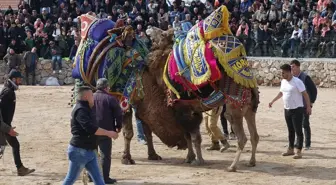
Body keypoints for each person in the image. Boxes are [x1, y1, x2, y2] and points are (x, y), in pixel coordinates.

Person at [62, 86, 119, 185]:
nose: (94, 98)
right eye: (92, 95)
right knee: (70, 179)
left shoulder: (86, 108)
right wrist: (109, 133)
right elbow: (91, 129)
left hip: (90, 151)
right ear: (86, 97)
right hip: (79, 151)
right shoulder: (81, 110)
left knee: (99, 180)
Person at [269, 64, 312, 159]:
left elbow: (305, 94)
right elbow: (281, 93)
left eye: (283, 72)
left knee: (298, 131)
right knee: (290, 130)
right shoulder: (283, 82)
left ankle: (299, 151)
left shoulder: (297, 82)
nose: (282, 74)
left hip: (297, 109)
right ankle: (290, 149)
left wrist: (308, 106)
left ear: (288, 72)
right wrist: (273, 101)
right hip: (287, 109)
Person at [0, 70, 35, 176]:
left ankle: (20, 168)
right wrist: (7, 128)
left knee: (13, 145)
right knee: (13, 145)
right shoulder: (8, 92)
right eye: (19, 79)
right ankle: (20, 169)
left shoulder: (9, 90)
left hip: (5, 125)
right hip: (3, 126)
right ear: (14, 79)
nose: (20, 81)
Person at [93, 78, 123, 184]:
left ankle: (90, 176)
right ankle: (105, 178)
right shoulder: (110, 99)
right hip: (106, 131)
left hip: (91, 131)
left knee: (92, 154)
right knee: (105, 155)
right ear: (106, 87)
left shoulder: (90, 97)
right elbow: (119, 114)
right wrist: (118, 126)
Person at [290, 60, 317, 150]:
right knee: (296, 125)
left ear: (298, 67)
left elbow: (314, 90)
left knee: (305, 124)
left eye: (293, 66)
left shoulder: (305, 78)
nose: (291, 68)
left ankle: (308, 144)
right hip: (295, 106)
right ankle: (297, 143)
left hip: (305, 105)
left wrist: (311, 103)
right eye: (291, 67)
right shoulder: (291, 78)